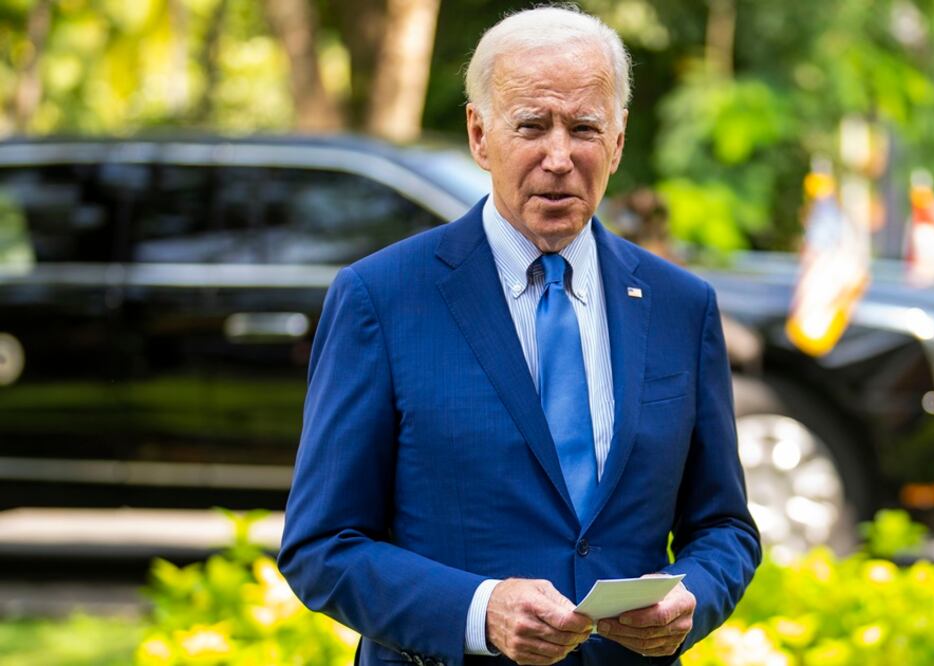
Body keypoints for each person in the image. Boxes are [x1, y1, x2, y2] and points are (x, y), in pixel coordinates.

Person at [278, 7, 760, 666]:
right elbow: (321, 546)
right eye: (531, 125)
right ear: (480, 135)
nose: (558, 158)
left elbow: (723, 527)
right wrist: (479, 611)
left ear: (617, 141)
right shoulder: (380, 298)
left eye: (584, 128)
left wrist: (693, 598)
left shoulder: (681, 306)